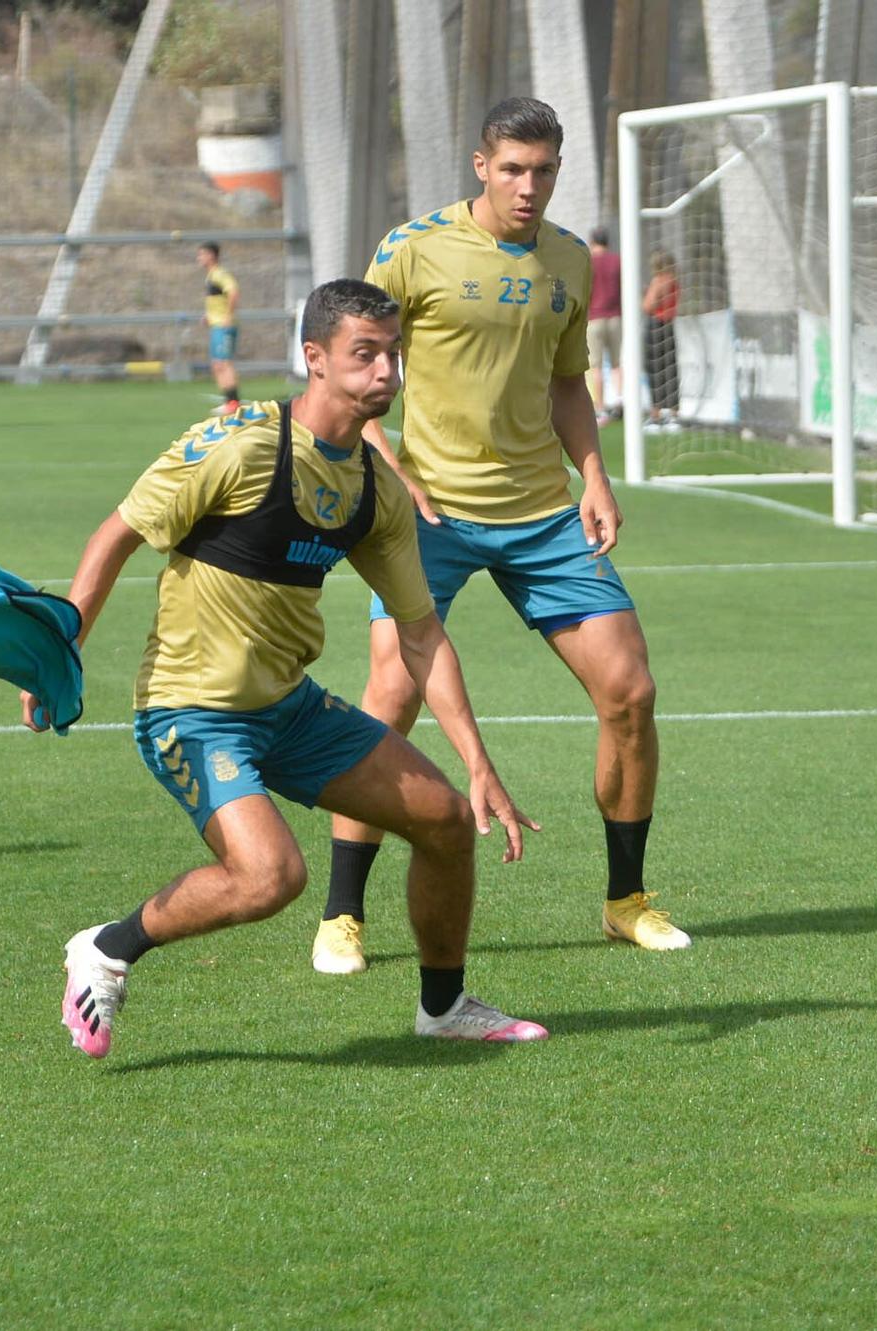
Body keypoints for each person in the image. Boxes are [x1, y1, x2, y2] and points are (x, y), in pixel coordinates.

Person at [43, 278, 548, 1057]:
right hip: (191, 708)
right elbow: (118, 532)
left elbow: (421, 632)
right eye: (365, 355)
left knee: (446, 820)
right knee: (269, 877)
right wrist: (63, 640)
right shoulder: (240, 443)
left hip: (292, 709)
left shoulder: (377, 488)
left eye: (393, 354)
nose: (386, 372)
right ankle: (107, 948)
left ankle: (444, 1008)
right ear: (314, 358)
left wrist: (478, 763)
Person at [313, 95, 686, 978]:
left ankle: (625, 901)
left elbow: (567, 384)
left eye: (545, 170)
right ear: (481, 166)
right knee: (388, 696)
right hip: (429, 511)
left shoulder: (568, 259)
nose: (529, 186)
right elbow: (362, 363)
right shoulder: (413, 247)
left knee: (630, 690)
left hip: (542, 515)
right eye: (513, 169)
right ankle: (342, 912)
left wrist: (593, 475)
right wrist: (385, 460)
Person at [199, 242, 241, 414]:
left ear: (211, 255)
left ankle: (233, 402)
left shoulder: (220, 274)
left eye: (202, 254)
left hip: (224, 327)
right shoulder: (210, 276)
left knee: (224, 363)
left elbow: (233, 292)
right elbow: (218, 300)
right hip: (216, 325)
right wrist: (209, 316)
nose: (199, 258)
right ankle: (228, 401)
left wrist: (227, 316)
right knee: (217, 365)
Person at [642, 250, 681, 428]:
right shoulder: (675, 281)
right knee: (670, 368)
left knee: (655, 369)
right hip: (669, 326)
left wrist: (643, 297)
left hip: (656, 325)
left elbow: (648, 305)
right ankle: (673, 412)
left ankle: (656, 413)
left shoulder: (658, 281)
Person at [586, 226, 622, 422]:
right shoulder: (617, 261)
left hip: (595, 317)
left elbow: (586, 289)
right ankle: (618, 402)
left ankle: (600, 407)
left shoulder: (589, 262)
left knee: (596, 366)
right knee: (617, 364)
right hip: (616, 316)